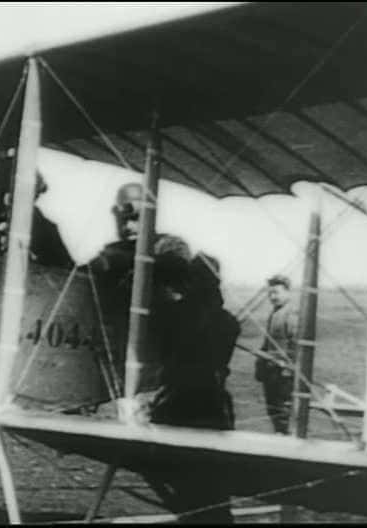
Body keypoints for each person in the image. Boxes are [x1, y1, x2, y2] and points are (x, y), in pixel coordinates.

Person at [89, 182, 239, 523]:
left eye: (137, 218)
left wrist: (117, 263)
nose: (129, 226)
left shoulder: (168, 250)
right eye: (123, 217)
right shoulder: (118, 256)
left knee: (204, 495)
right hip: (162, 394)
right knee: (185, 492)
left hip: (196, 400)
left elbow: (170, 263)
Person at [0, 171, 73, 269]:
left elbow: (62, 265)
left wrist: (32, 257)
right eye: (3, 188)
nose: (6, 196)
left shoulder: (46, 229)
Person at [255, 274, 298, 435]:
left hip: (284, 373)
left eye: (276, 292)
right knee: (273, 409)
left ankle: (286, 440)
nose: (272, 297)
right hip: (271, 372)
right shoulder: (274, 313)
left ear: (287, 292)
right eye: (270, 293)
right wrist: (260, 363)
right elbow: (267, 343)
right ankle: (280, 435)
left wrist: (288, 367)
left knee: (283, 411)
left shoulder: (291, 313)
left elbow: (295, 344)